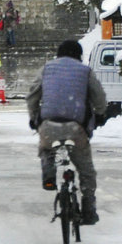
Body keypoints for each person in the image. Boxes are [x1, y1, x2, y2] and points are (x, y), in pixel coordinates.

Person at [27, 38, 109, 225]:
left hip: (49, 126)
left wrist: (33, 118)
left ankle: (49, 173)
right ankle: (88, 209)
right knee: (86, 170)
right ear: (79, 55)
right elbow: (99, 98)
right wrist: (101, 113)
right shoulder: (85, 71)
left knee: (46, 149)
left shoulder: (47, 69)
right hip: (76, 127)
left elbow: (32, 96)